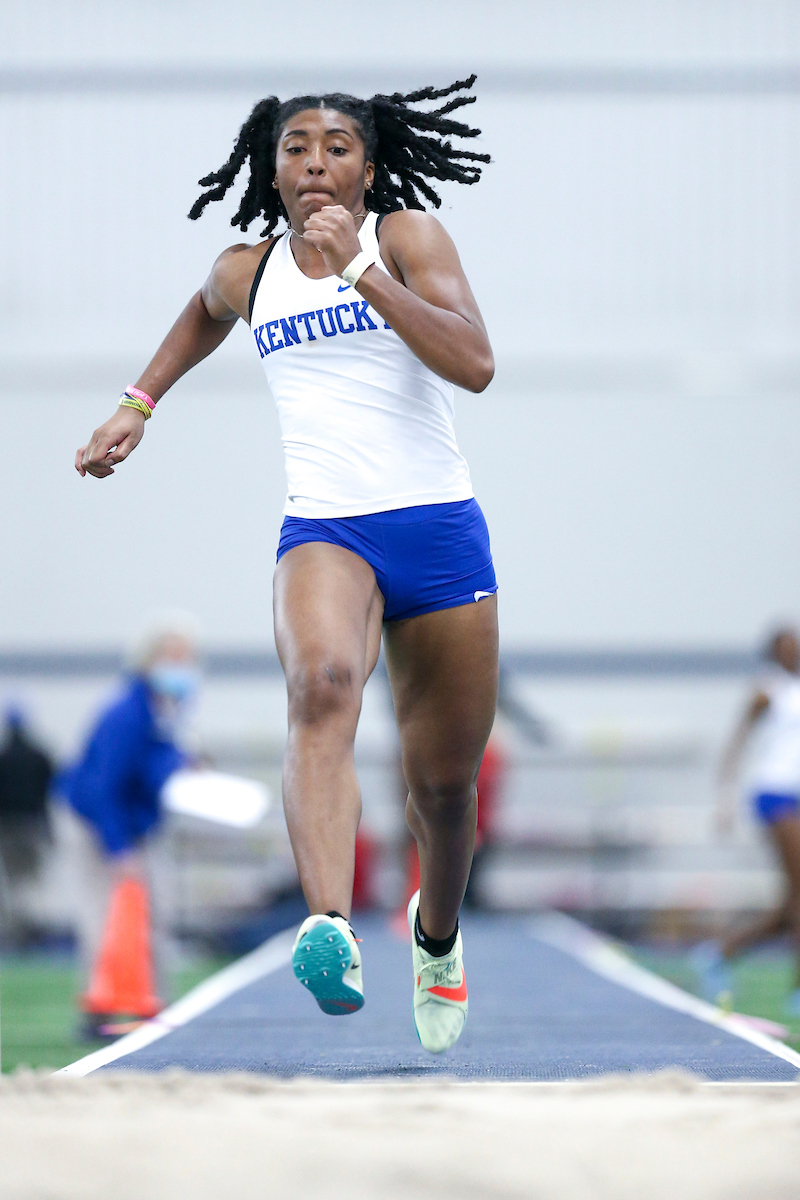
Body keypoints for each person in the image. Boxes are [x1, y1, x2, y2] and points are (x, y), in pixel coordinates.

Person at [75, 77, 497, 1054]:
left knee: (441, 787)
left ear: (369, 166)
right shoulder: (247, 269)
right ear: (272, 170)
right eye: (296, 146)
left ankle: (435, 938)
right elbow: (200, 314)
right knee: (319, 688)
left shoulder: (406, 240)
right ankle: (328, 925)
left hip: (435, 528)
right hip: (324, 529)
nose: (315, 160)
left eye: (336, 145)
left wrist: (360, 275)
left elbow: (473, 363)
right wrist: (134, 408)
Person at [57, 615, 200, 1034]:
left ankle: (149, 1004)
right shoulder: (124, 714)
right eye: (172, 657)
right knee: (103, 914)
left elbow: (156, 769)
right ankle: (97, 1009)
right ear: (147, 661)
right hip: (92, 821)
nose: (181, 667)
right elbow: (105, 788)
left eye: (186, 658)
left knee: (157, 908)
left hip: (138, 823)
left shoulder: (169, 711)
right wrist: (118, 850)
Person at [695, 627, 800, 1015]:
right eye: (786, 646)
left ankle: (721, 952)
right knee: (799, 896)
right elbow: (737, 740)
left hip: (795, 794)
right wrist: (725, 798)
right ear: (774, 652)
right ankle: (796, 990)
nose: (794, 651)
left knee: (792, 901)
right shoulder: (767, 689)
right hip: (774, 793)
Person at [0, 706, 55, 943]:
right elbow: (49, 790)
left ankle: (19, 929)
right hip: (32, 825)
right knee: (33, 880)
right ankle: (32, 929)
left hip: (8, 827)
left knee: (15, 882)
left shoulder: (4, 758)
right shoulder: (38, 756)